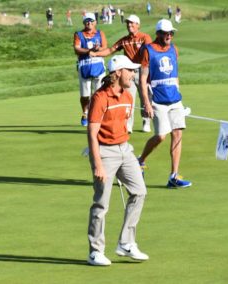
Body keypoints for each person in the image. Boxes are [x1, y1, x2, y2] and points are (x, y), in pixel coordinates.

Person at [87, 54, 149, 266]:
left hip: (125, 150)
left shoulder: (128, 96)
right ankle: (95, 251)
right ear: (118, 73)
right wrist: (97, 164)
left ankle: (126, 242)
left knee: (140, 191)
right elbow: (92, 133)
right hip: (105, 152)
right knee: (101, 203)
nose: (133, 74)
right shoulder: (100, 98)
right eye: (130, 70)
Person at [138, 19, 192, 188]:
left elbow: (175, 74)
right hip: (158, 100)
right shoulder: (148, 50)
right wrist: (146, 102)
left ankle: (173, 176)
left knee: (177, 134)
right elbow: (142, 79)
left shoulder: (173, 49)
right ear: (158, 34)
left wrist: (179, 93)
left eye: (171, 33)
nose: (169, 36)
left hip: (175, 99)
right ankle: (140, 160)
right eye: (166, 33)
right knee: (161, 135)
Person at [90, 14, 152, 133]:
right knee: (129, 98)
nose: (129, 25)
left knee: (145, 97)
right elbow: (110, 50)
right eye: (128, 23)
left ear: (138, 25)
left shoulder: (144, 37)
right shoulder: (124, 40)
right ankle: (128, 125)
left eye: (132, 23)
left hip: (143, 70)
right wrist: (95, 54)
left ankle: (146, 122)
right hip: (128, 72)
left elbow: (150, 51)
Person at [73, 12, 107, 127]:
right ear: (84, 22)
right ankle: (85, 113)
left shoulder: (100, 33)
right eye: (87, 21)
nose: (89, 23)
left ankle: (97, 115)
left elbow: (105, 47)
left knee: (99, 93)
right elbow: (77, 49)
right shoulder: (79, 34)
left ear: (95, 22)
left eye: (91, 21)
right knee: (85, 95)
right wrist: (89, 51)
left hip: (98, 66)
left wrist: (97, 49)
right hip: (84, 66)